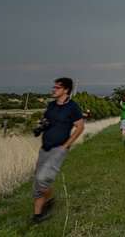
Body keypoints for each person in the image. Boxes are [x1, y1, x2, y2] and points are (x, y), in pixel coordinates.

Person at [32, 77, 85, 224]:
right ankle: (37, 216)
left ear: (65, 90)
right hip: (45, 148)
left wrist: (66, 145)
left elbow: (80, 127)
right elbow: (46, 120)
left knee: (42, 179)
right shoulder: (51, 105)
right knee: (37, 182)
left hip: (58, 149)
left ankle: (49, 199)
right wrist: (40, 127)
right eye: (54, 87)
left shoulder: (72, 107)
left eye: (57, 87)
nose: (53, 90)